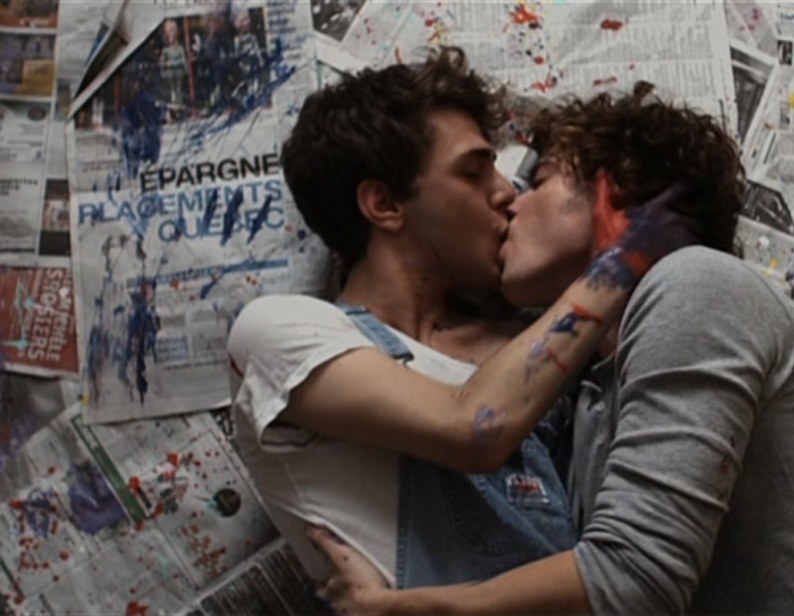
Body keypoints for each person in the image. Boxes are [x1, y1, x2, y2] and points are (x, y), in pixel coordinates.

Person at [312, 82, 794, 614]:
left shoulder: (697, 286)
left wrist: (403, 609)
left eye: (539, 181)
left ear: (611, 192)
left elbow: (634, 581)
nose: (511, 201)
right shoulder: (592, 389)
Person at [226, 47, 694, 592]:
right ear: (384, 205)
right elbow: (474, 427)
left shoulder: (541, 344)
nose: (507, 192)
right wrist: (620, 261)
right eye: (474, 172)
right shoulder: (282, 331)